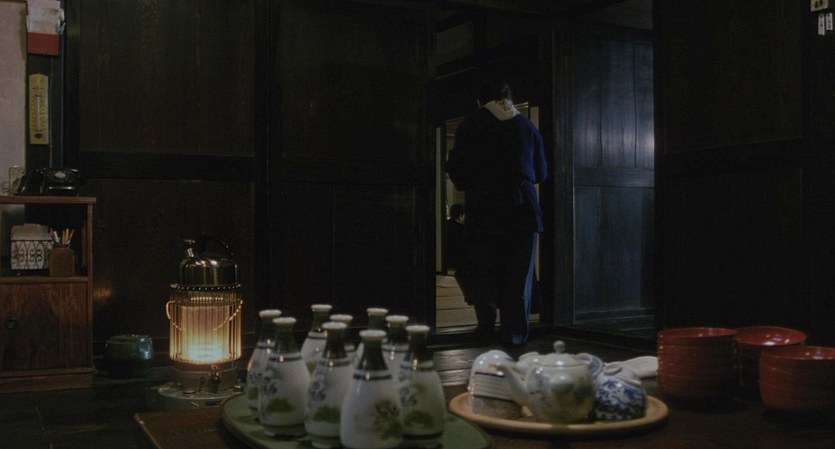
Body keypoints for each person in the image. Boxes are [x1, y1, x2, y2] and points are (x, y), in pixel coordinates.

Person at [445, 79, 548, 347]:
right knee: (518, 277)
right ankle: (514, 334)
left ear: (480, 101)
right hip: (524, 209)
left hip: (485, 208)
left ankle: (486, 327)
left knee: (482, 271)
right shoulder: (528, 126)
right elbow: (541, 172)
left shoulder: (471, 124)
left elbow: (459, 172)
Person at [445, 203, 466, 271]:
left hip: (445, 260)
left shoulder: (444, 226)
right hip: (456, 261)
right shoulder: (461, 229)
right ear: (461, 215)